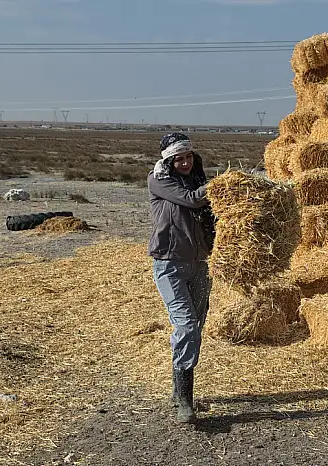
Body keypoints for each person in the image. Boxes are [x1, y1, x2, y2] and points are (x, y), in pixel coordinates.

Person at [147, 132, 215, 423]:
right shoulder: (159, 180)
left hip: (199, 264)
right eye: (179, 158)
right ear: (169, 160)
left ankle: (178, 390)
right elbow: (190, 200)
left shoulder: (198, 180)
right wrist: (222, 185)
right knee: (186, 327)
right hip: (170, 264)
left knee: (195, 327)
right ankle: (184, 403)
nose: (185, 162)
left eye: (188, 157)